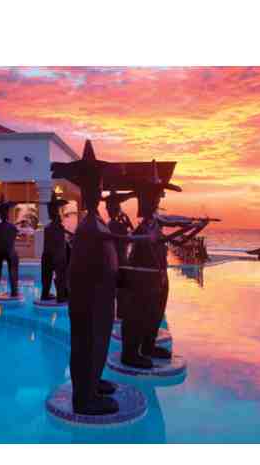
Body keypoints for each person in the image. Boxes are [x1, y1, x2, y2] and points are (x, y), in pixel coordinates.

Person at [51, 140, 156, 415]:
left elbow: (108, 250)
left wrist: (118, 277)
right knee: (88, 342)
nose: (97, 192)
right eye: (93, 188)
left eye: (97, 187)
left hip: (101, 295)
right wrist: (143, 238)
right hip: (91, 300)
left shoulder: (95, 221)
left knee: (98, 342)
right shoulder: (90, 225)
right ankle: (84, 399)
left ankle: (93, 382)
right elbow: (114, 240)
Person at [121, 162, 210, 368]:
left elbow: (173, 221)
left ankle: (148, 346)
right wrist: (190, 224)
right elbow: (168, 226)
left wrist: (193, 223)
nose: (157, 200)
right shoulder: (144, 227)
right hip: (143, 279)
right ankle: (130, 353)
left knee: (155, 312)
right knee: (138, 314)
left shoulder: (155, 222)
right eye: (152, 196)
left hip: (157, 278)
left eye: (157, 196)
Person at [103, 190, 136, 320]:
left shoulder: (110, 225)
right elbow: (131, 238)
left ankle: (116, 316)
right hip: (120, 263)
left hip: (113, 263)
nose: (108, 210)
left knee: (116, 293)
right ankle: (120, 316)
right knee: (121, 293)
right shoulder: (116, 225)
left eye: (109, 208)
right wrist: (128, 224)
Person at [40, 190, 74, 303]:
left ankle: (46, 294)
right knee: (60, 274)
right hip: (57, 254)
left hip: (48, 254)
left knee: (48, 275)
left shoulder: (50, 227)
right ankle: (60, 296)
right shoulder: (56, 226)